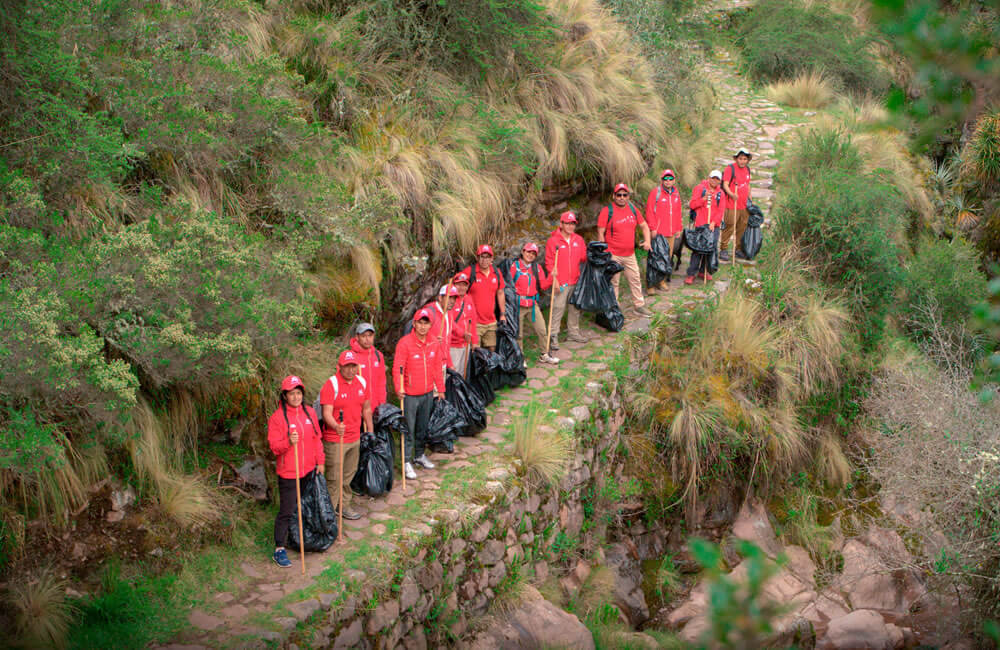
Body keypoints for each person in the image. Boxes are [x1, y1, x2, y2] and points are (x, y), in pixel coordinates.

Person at [267, 375, 324, 568]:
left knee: (303, 506)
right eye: (291, 394)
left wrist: (320, 461)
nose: (296, 397)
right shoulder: (277, 418)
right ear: (285, 396)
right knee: (286, 510)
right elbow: (275, 448)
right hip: (289, 472)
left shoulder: (309, 412)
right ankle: (279, 548)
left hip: (308, 470)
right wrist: (288, 442)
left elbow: (317, 438)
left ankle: (300, 538)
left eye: (298, 393)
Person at [319, 351, 373, 522]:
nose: (351, 370)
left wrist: (370, 430)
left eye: (353, 366)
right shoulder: (331, 384)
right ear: (339, 367)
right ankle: (328, 515)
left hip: (354, 437)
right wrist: (336, 426)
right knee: (334, 478)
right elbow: (326, 413)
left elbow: (366, 408)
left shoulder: (362, 382)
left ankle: (343, 506)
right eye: (347, 366)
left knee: (348, 475)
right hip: (336, 440)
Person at [393, 309, 446, 480]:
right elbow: (398, 368)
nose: (423, 327)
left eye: (426, 323)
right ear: (414, 324)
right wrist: (399, 388)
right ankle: (406, 460)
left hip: (428, 392)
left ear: (430, 325)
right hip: (409, 394)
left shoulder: (433, 342)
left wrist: (441, 388)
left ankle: (419, 455)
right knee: (408, 428)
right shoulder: (405, 343)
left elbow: (437, 367)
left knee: (423, 427)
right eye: (420, 323)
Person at [597, 183, 653, 317]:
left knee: (635, 279)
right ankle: (614, 308)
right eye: (619, 195)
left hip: (629, 254)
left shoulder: (633, 209)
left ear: (628, 196)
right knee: (613, 282)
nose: (622, 197)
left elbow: (644, 226)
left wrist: (648, 241)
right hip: (613, 254)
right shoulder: (607, 211)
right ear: (614, 196)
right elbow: (600, 232)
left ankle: (639, 306)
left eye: (624, 195)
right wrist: (603, 252)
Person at [545, 211, 588, 351]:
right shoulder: (553, 241)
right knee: (558, 308)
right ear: (561, 224)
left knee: (575, 308)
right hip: (561, 282)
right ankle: (553, 335)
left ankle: (573, 333)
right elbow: (549, 263)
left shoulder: (578, 240)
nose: (570, 226)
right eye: (567, 223)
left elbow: (584, 257)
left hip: (575, 280)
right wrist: (555, 280)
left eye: (573, 224)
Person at [511, 242, 559, 364]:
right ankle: (520, 358)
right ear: (523, 252)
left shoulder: (537, 268)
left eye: (533, 253)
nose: (530, 255)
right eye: (528, 252)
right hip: (518, 305)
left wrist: (551, 276)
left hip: (532, 304)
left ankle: (544, 354)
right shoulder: (514, 266)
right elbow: (508, 286)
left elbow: (543, 285)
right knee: (518, 334)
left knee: (542, 330)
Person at [644, 169, 684, 293]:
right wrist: (652, 228)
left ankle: (661, 281)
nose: (668, 181)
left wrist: (678, 228)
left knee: (667, 258)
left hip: (671, 232)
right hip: (658, 232)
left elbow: (678, 212)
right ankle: (650, 285)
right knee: (655, 258)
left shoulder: (676, 194)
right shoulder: (655, 193)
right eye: (665, 179)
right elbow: (649, 211)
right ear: (662, 180)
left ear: (674, 180)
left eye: (670, 178)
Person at [461, 245, 507, 352]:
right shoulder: (470, 272)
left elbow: (500, 293)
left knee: (491, 350)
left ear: (492, 258)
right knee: (475, 351)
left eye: (487, 257)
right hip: (474, 322)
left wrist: (502, 314)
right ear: (477, 258)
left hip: (491, 321)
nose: (484, 260)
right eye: (482, 256)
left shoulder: (496, 272)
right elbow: (457, 287)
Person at [685, 170, 725, 285]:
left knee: (710, 248)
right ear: (709, 178)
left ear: (720, 181)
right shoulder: (700, 189)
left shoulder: (721, 194)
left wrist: (714, 222)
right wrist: (704, 199)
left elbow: (721, 210)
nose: (715, 181)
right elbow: (692, 205)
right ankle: (691, 273)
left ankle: (703, 271)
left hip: (713, 226)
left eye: (717, 179)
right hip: (701, 224)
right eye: (713, 178)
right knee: (698, 249)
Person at [720, 148, 753, 261]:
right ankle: (723, 249)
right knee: (729, 226)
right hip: (731, 204)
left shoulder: (747, 169)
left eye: (745, 159)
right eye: (740, 159)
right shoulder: (730, 169)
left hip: (744, 205)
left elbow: (747, 184)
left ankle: (738, 249)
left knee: (742, 227)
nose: (742, 161)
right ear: (736, 159)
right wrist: (731, 194)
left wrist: (750, 196)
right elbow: (725, 184)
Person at [348, 322, 388, 409]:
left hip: (376, 406)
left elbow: (382, 382)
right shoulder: (350, 356)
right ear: (357, 337)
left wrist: (382, 403)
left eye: (370, 336)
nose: (367, 339)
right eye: (363, 336)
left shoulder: (378, 356)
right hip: (356, 407)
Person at [421, 284, 459, 370]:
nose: (452, 301)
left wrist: (449, 364)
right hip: (429, 364)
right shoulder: (429, 312)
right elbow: (417, 337)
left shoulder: (449, 314)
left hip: (442, 364)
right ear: (440, 298)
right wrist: (432, 341)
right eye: (449, 297)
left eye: (454, 298)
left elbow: (446, 343)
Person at [449, 271, 478, 374]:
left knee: (463, 373)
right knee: (453, 373)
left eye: (464, 285)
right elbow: (449, 322)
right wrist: (462, 333)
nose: (461, 288)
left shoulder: (468, 299)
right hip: (453, 345)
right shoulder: (450, 301)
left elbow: (473, 321)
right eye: (458, 285)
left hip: (466, 344)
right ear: (453, 285)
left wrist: (474, 341)